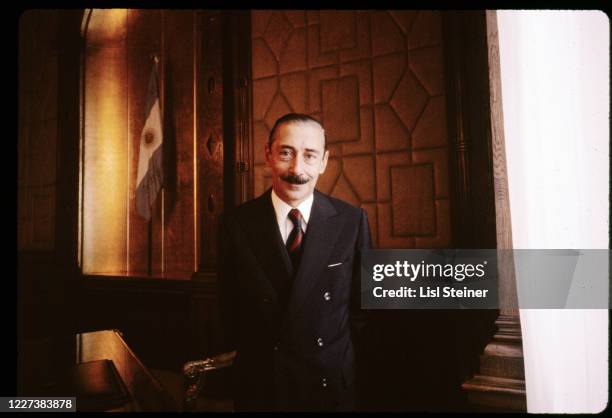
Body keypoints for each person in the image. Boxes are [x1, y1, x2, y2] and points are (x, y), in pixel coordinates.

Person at [217, 113, 371, 412]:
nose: (297, 169)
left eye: (310, 155)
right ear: (268, 155)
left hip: (329, 385)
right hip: (262, 387)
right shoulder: (235, 224)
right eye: (286, 153)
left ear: (324, 162)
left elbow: (363, 308)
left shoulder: (351, 221)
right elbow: (229, 307)